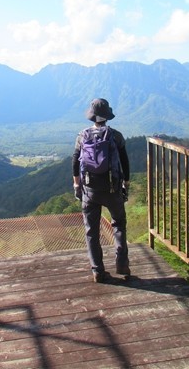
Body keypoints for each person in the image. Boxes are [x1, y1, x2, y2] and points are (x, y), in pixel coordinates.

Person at [72, 98, 130, 283]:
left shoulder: (82, 136)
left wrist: (76, 184)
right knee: (118, 224)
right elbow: (125, 162)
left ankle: (97, 270)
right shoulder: (116, 136)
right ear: (107, 116)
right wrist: (125, 185)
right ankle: (122, 264)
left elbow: (75, 162)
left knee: (91, 231)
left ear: (92, 116)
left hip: (90, 190)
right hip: (112, 189)